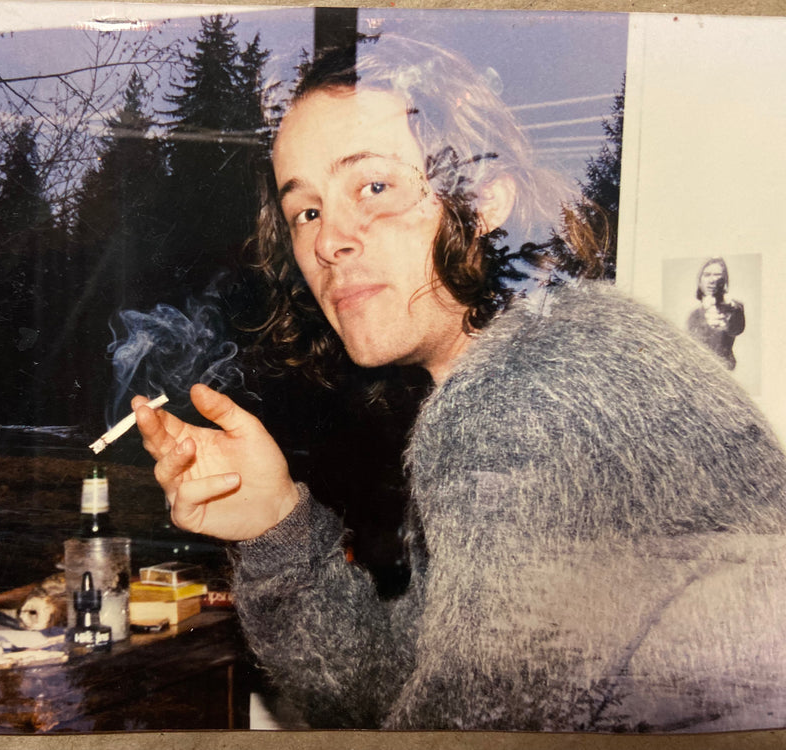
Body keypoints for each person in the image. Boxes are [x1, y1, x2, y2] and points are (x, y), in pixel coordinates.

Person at [133, 37, 786, 732]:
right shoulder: (544, 356)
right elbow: (391, 690)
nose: (328, 241)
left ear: (482, 202)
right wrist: (276, 525)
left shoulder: (535, 393)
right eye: (308, 211)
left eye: (374, 187)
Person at [686, 257, 746, 369]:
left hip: (723, 369)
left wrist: (729, 312)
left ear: (725, 280)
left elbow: (737, 328)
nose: (712, 280)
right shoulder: (694, 315)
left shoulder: (734, 308)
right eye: (707, 275)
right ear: (700, 281)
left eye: (717, 275)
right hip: (699, 369)